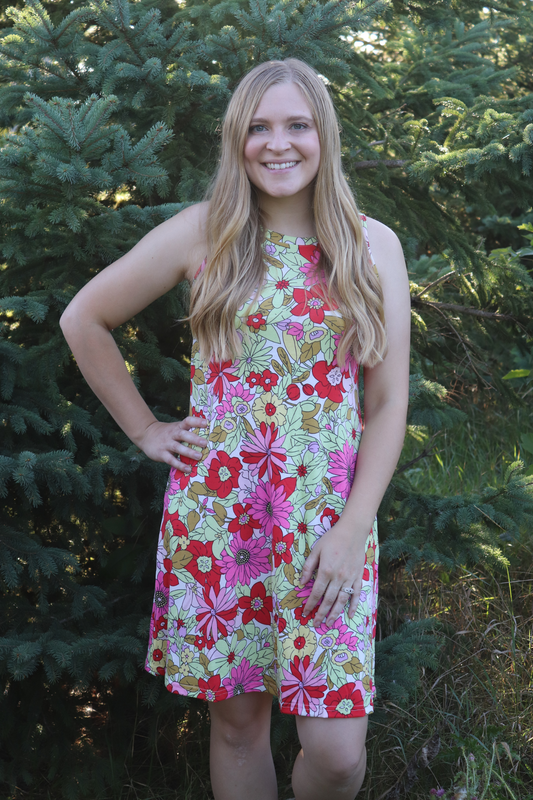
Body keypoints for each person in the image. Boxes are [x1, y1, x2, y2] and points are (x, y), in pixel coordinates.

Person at [60, 58, 410, 800]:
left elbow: (385, 405)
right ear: (236, 140)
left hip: (328, 526)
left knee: (338, 751)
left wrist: (354, 526)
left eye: (295, 125)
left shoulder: (369, 245)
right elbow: (83, 318)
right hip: (220, 514)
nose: (276, 144)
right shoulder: (207, 233)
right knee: (238, 727)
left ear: (323, 135)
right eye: (257, 127)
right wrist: (147, 429)